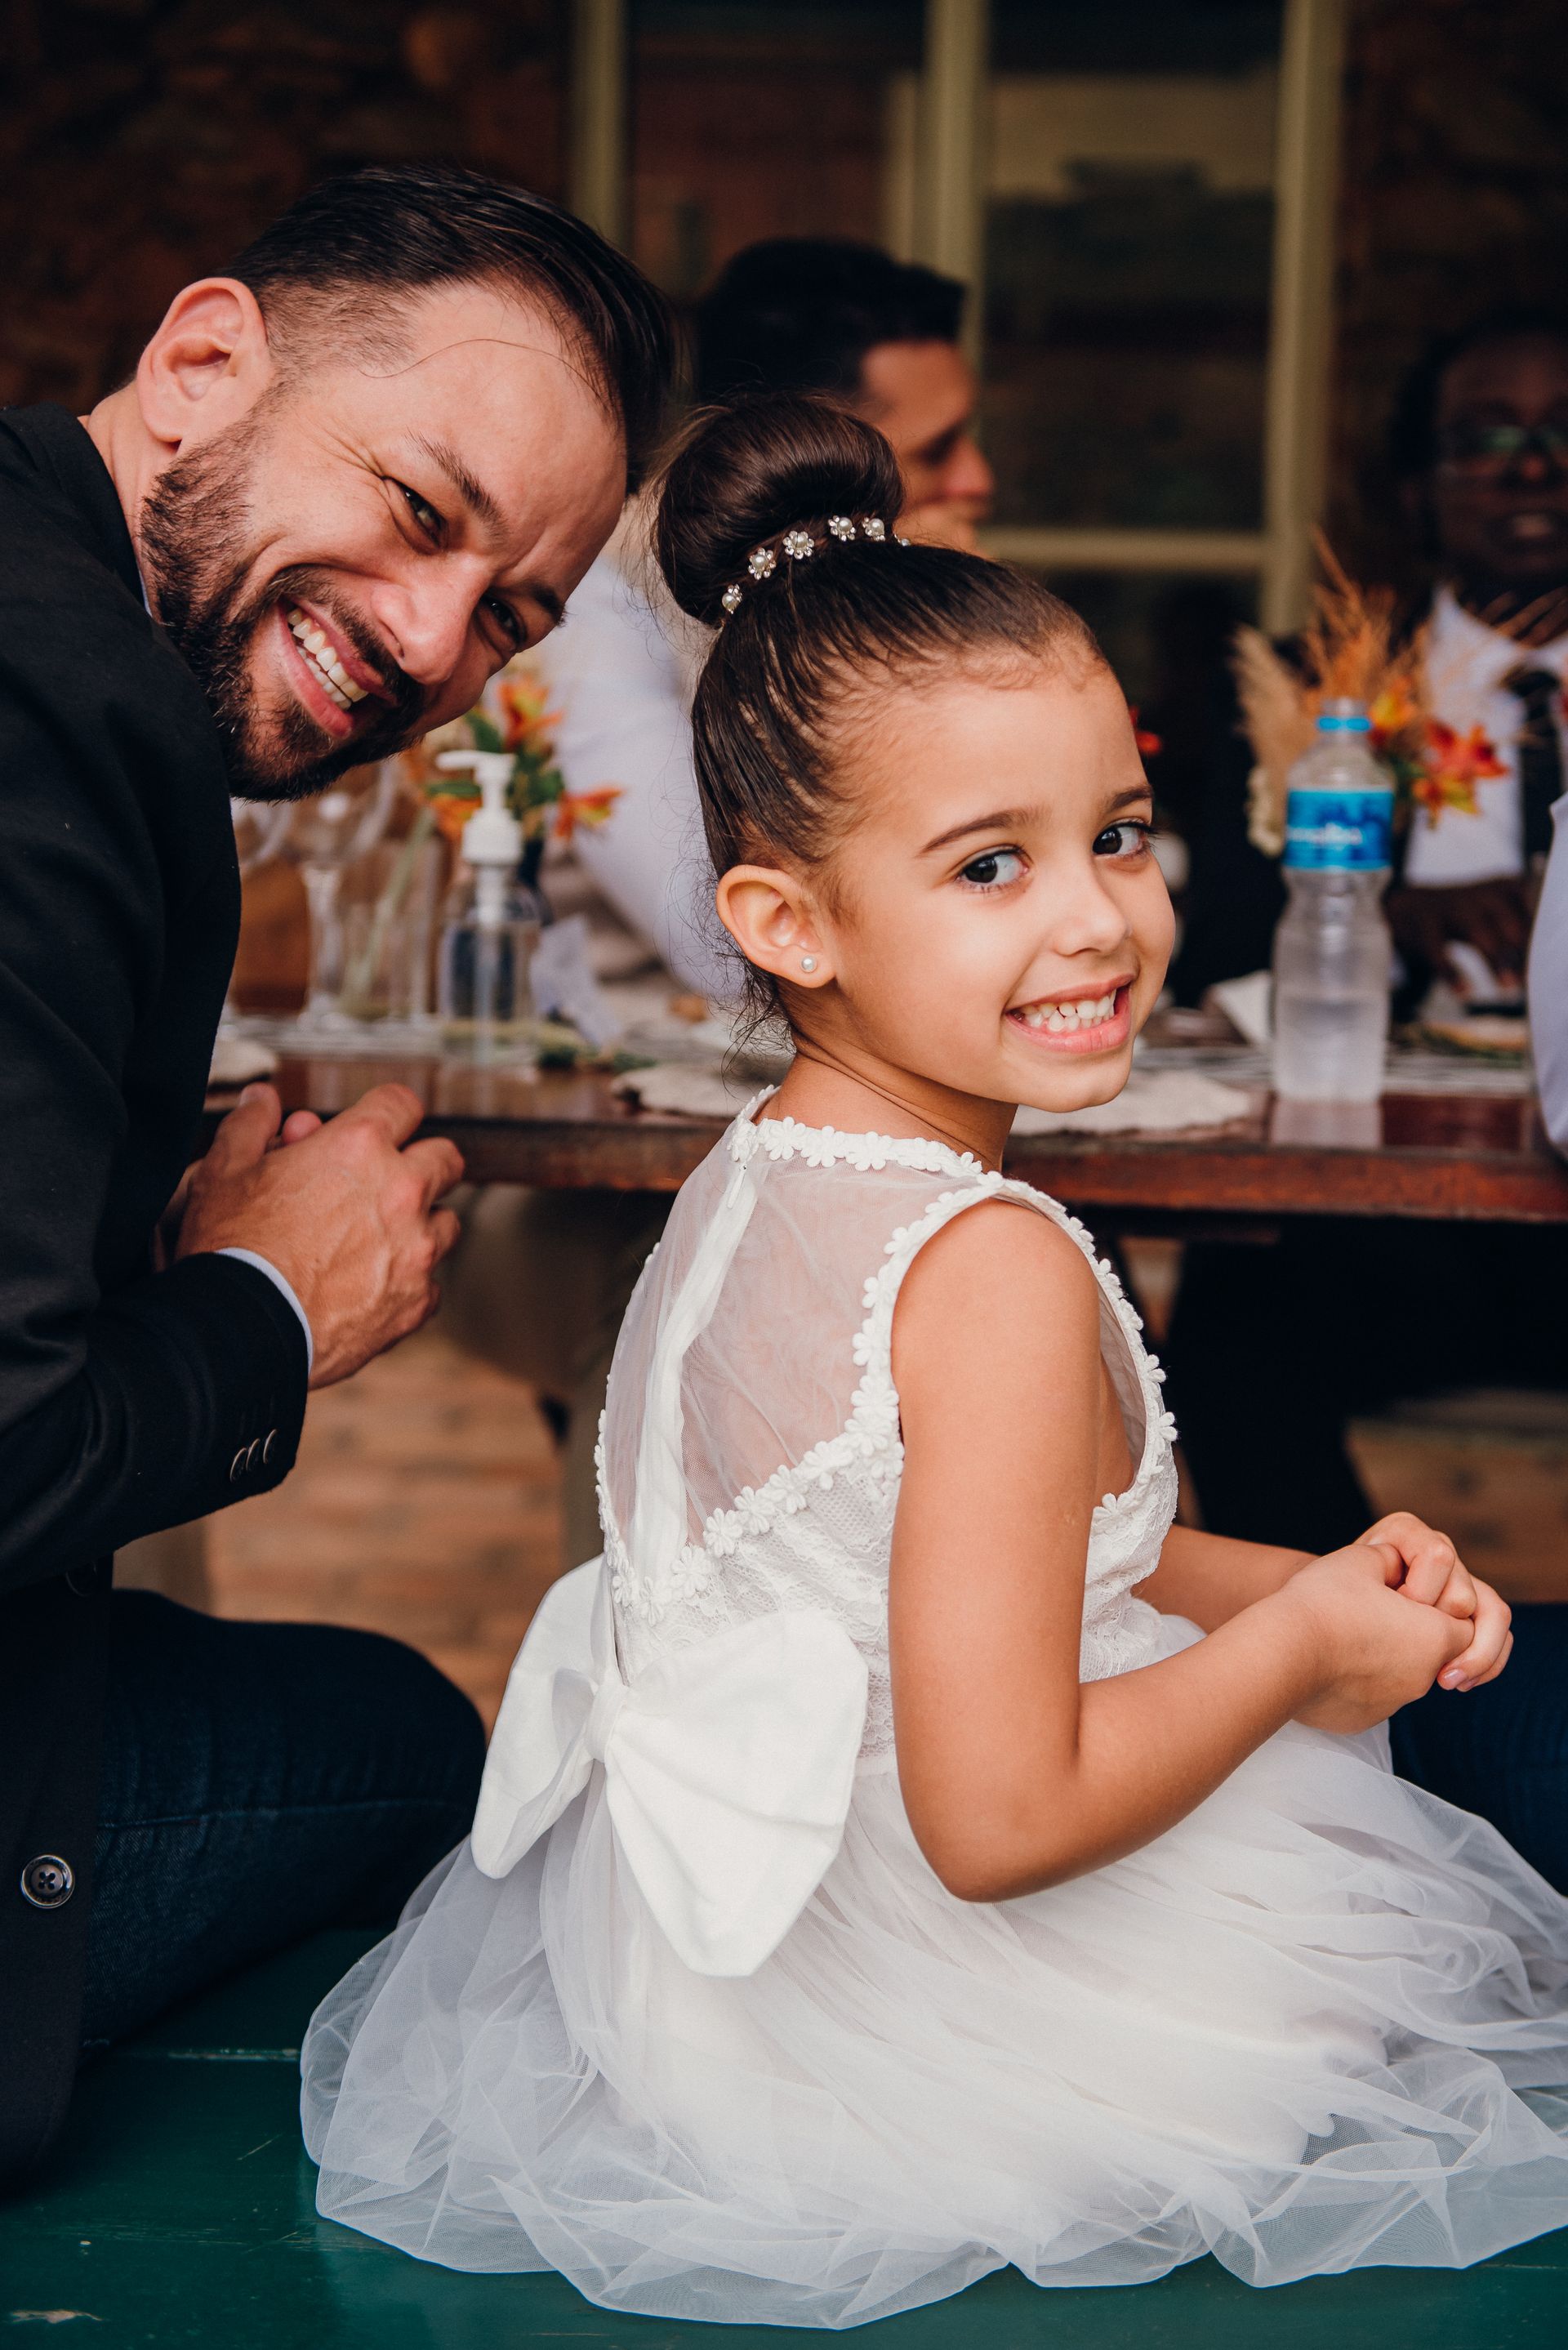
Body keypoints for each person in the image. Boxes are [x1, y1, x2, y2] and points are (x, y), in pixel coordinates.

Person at [301, 397, 1568, 2327]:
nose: (1101, 917)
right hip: (923, 2000)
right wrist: (1305, 1660)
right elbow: (999, 1819)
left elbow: (993, 1564)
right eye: (992, 865)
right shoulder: (985, 1267)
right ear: (785, 920)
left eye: (1120, 833)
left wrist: (1304, 1580)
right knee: (1432, 1987)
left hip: (697, 1994)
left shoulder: (762, 1180)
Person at [0, 162, 671, 2184]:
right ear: (205, 361)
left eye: (513, 614)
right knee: (416, 1747)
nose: (432, 639)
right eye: (419, 509)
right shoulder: (56, 718)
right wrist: (270, 1308)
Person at [446, 238, 994, 1563]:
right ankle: (668, 1704)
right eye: (939, 450)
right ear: (811, 452)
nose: (977, 482)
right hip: (569, 1179)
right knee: (704, 1282)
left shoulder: (920, 615)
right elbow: (725, 935)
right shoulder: (596, 609)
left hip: (843, 1142)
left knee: (1017, 1266)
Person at [1165, 314, 1568, 1649]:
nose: (1530, 466)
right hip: (1396, 1228)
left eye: (1559, 435)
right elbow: (1217, 945)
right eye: (1486, 439)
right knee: (1229, 1327)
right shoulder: (1312, 690)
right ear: (1419, 485)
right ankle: (1366, 1651)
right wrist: (1397, 915)